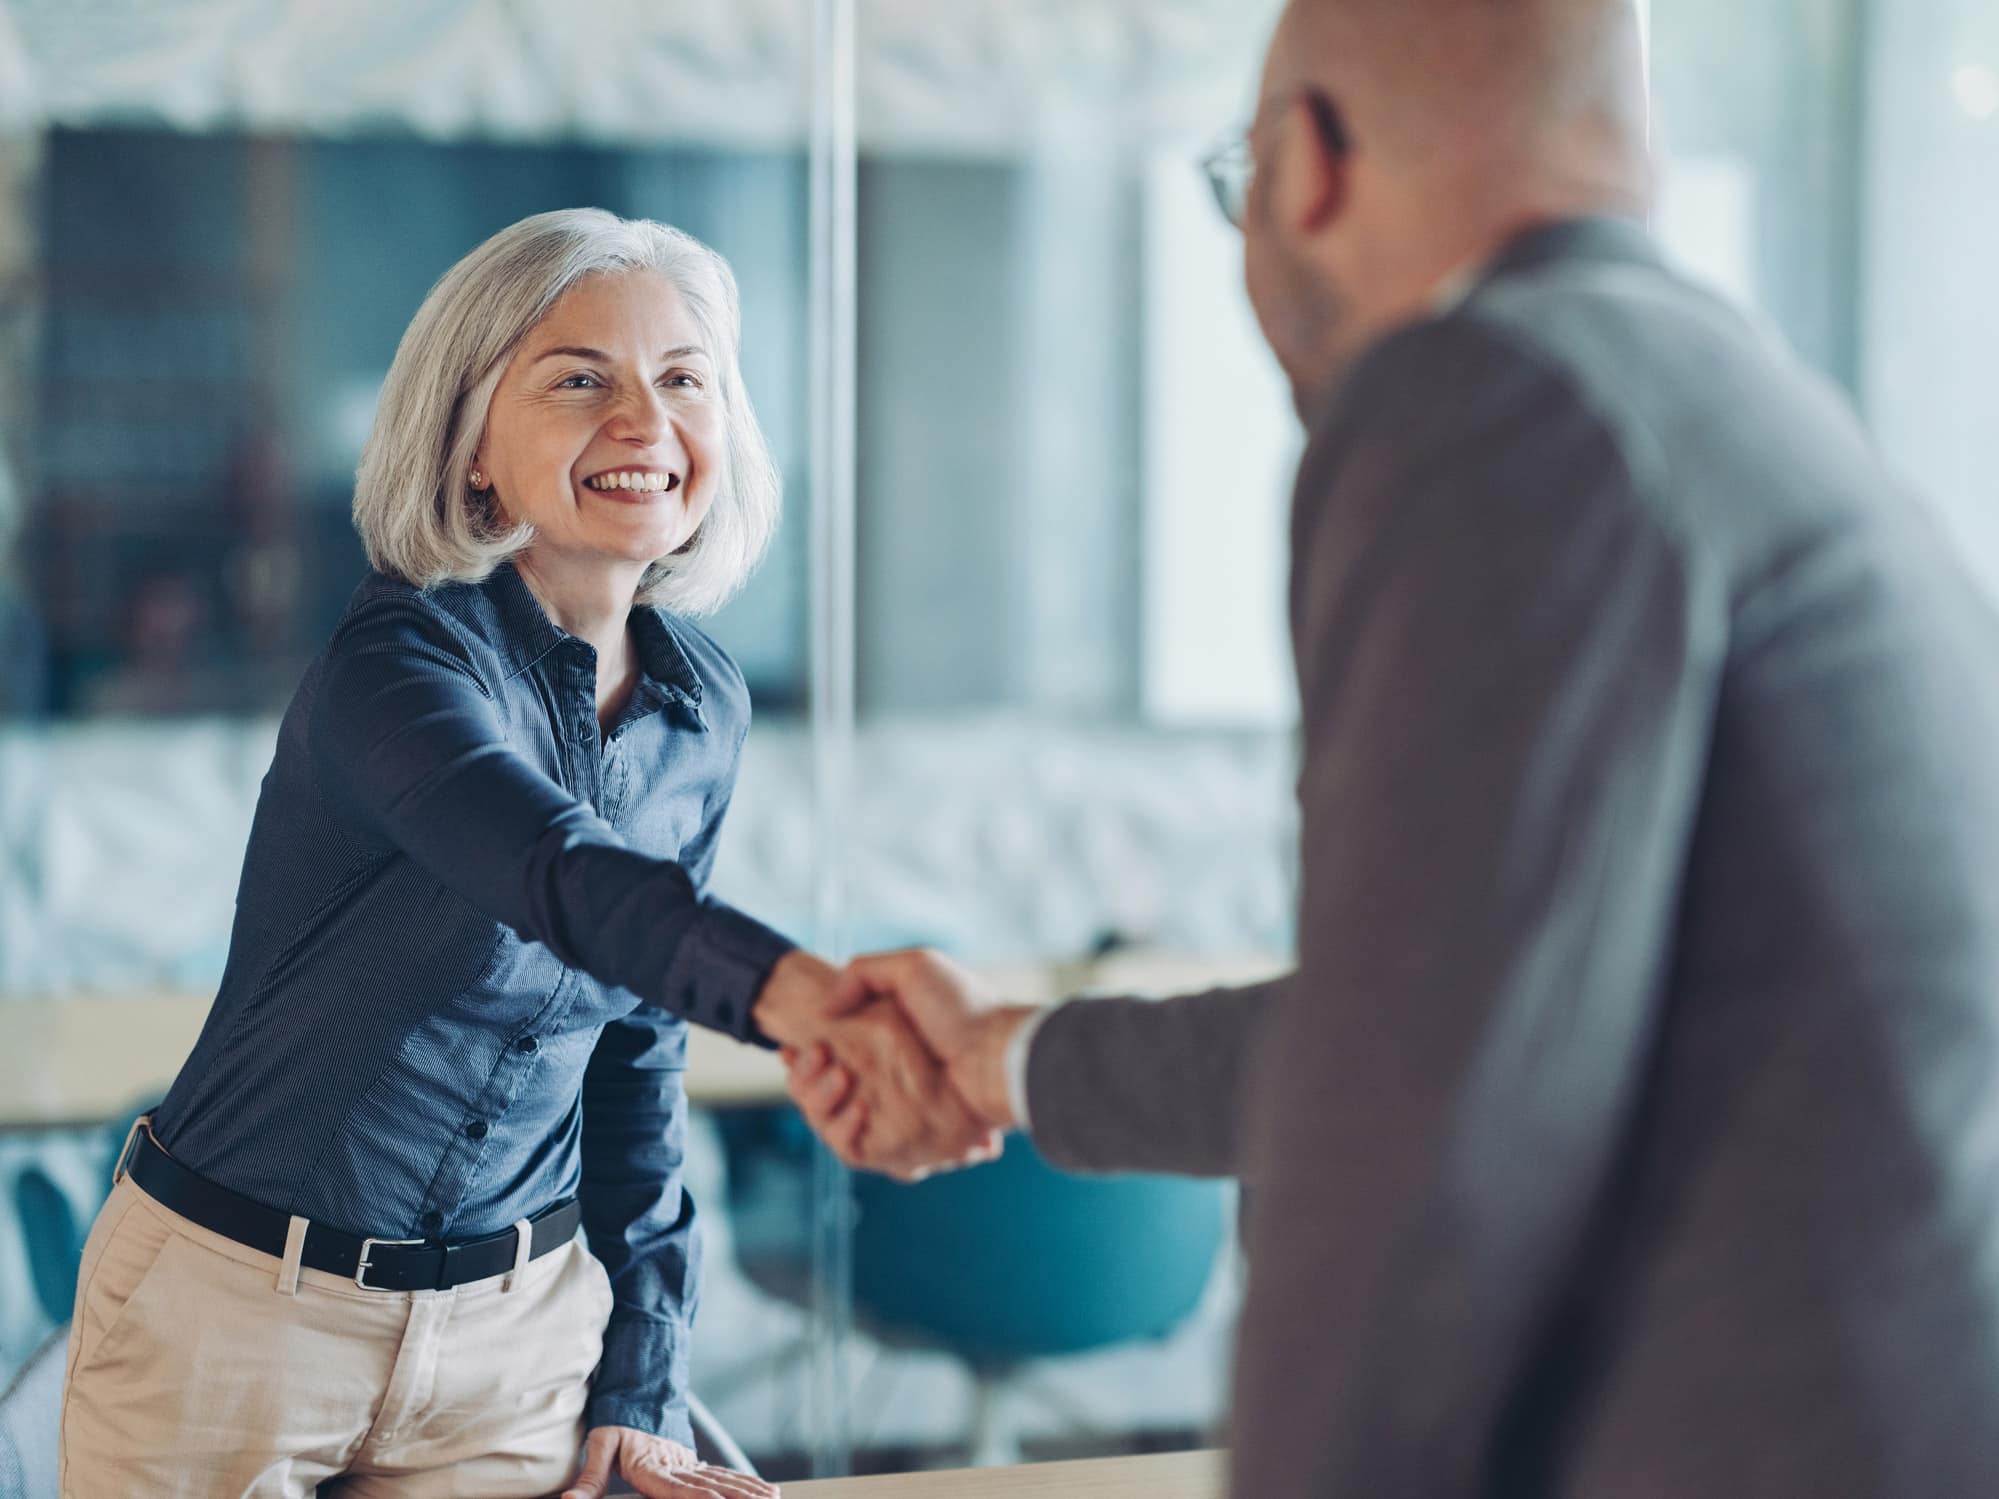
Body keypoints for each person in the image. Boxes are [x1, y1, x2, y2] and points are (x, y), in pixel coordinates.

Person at [789, 1, 1999, 1494]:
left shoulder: (1495, 395)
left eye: (1234, 187)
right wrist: (1005, 1060)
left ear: (1305, 163)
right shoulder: (1739, 406)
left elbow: (1412, 1158)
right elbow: (1428, 1019)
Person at [60, 208, 993, 1499]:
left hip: (516, 1338)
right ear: (470, 450)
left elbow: (637, 1045)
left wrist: (644, 1363)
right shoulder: (397, 668)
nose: (645, 421)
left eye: (683, 380)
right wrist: (814, 1004)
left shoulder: (698, 707)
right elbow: (558, 876)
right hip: (235, 1321)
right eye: (579, 379)